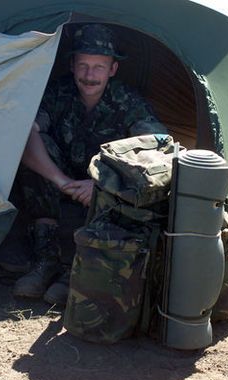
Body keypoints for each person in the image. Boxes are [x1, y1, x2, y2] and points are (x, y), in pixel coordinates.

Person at [13, 23, 168, 305]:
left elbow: (159, 149)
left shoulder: (128, 101)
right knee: (32, 139)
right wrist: (62, 181)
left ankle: (76, 269)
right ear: (72, 65)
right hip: (62, 182)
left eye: (99, 67)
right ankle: (45, 260)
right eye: (83, 65)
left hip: (104, 190)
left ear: (113, 69)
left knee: (135, 177)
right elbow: (23, 133)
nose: (89, 75)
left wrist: (101, 183)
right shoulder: (57, 93)